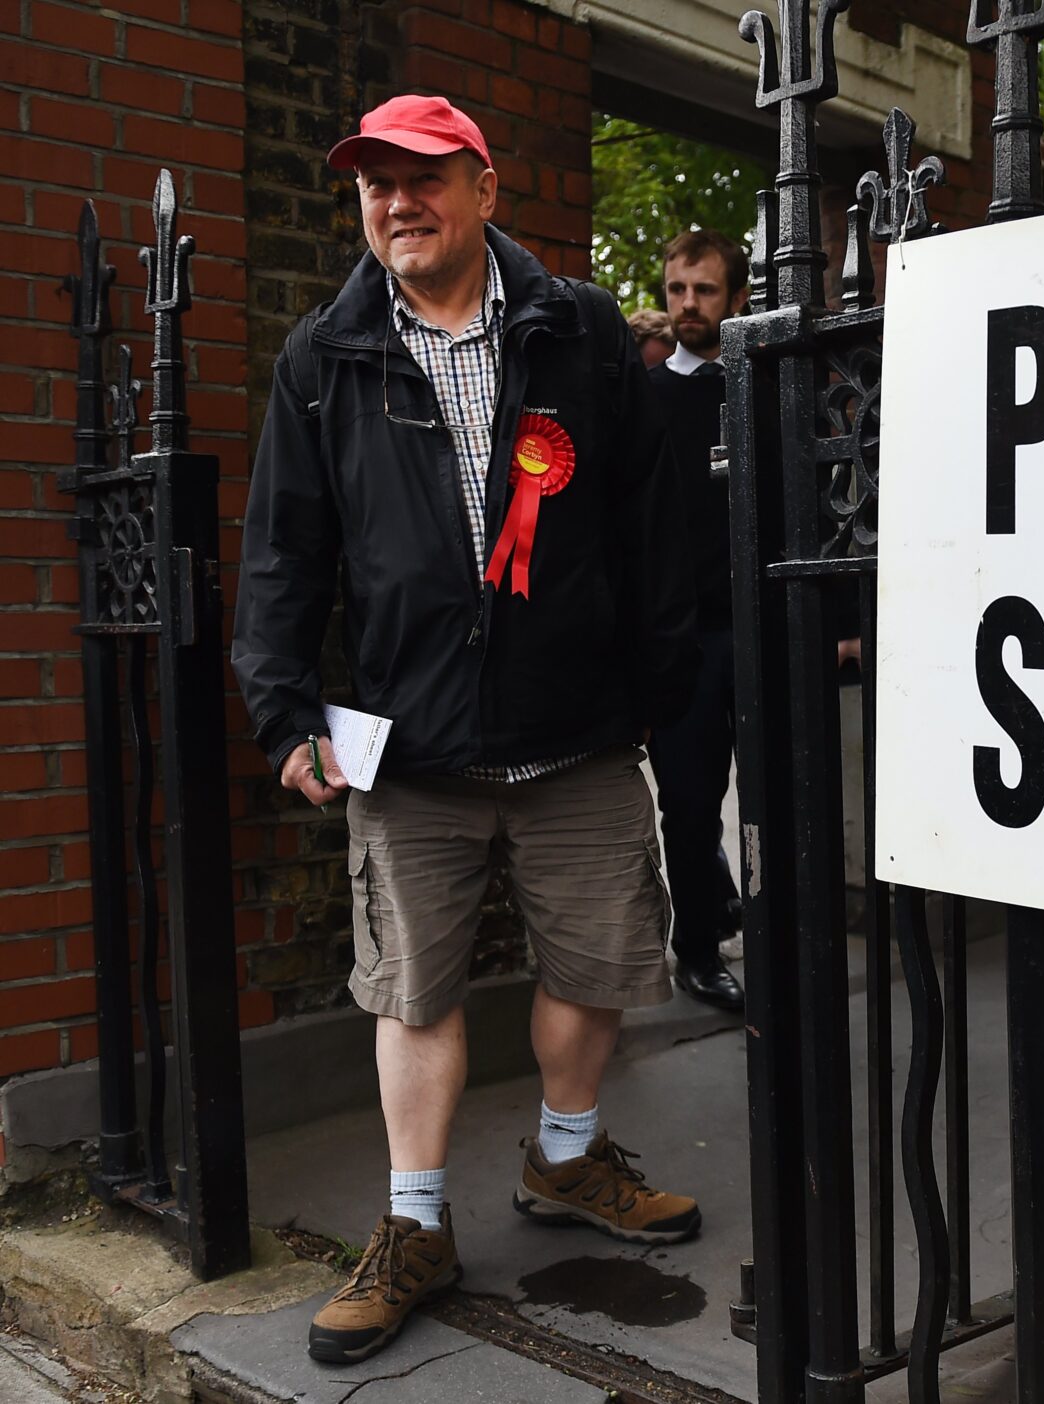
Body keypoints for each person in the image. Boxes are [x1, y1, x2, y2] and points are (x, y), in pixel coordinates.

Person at [231, 94, 704, 1365]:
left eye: (423, 176)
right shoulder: (321, 360)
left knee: (598, 965)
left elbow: (653, 532)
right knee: (414, 989)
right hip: (413, 745)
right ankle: (416, 1224)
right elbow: (283, 557)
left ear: (485, 188)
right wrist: (283, 712)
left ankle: (565, 1157)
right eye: (374, 183)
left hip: (580, 736)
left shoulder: (582, 332)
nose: (396, 202)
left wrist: (665, 700)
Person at [644, 229, 750, 1010]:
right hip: (684, 641)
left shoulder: (762, 388)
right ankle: (700, 953)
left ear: (735, 298)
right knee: (687, 801)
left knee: (782, 795)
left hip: (764, 628)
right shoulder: (644, 400)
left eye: (704, 291)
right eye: (678, 290)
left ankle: (782, 932)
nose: (687, 306)